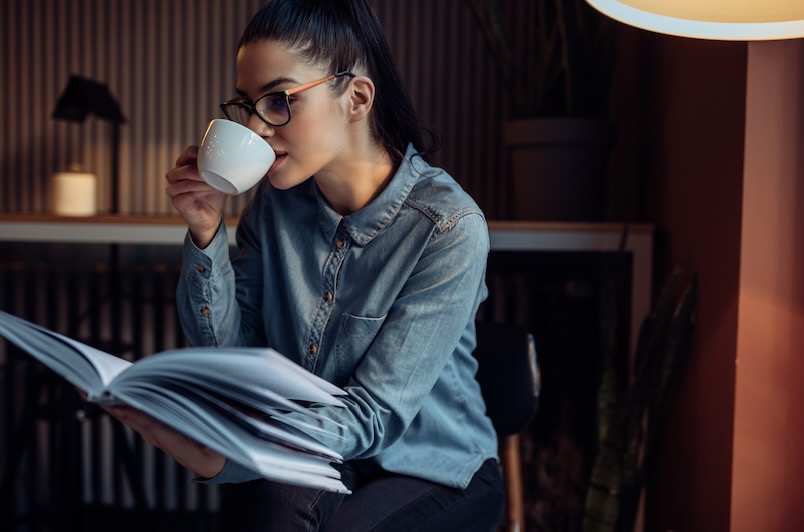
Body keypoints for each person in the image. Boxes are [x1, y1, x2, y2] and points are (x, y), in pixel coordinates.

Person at [116, 0, 504, 529]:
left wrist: (230, 453)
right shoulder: (277, 204)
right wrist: (206, 230)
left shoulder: (448, 226)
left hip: (431, 466)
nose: (257, 127)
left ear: (357, 99)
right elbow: (231, 358)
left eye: (278, 100)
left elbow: (374, 415)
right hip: (323, 454)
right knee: (268, 503)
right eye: (248, 105)